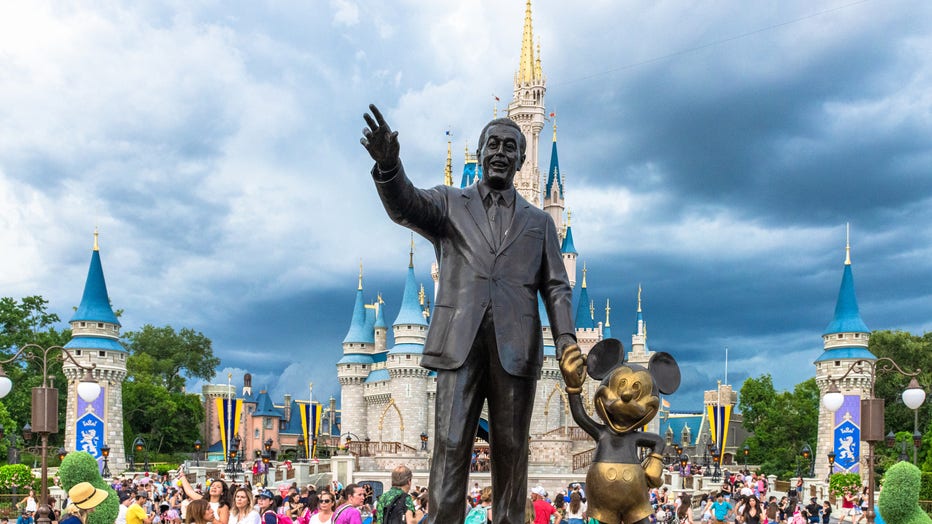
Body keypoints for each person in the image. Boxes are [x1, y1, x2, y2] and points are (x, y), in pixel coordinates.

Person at [361, 105, 577, 524]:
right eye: (492, 145)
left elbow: (556, 285)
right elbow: (406, 205)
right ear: (480, 153)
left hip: (516, 351)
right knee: (449, 445)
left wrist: (566, 339)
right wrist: (389, 166)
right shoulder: (449, 203)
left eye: (510, 147)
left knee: (513, 453)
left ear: (522, 159)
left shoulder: (540, 224)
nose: (500, 153)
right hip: (458, 345)